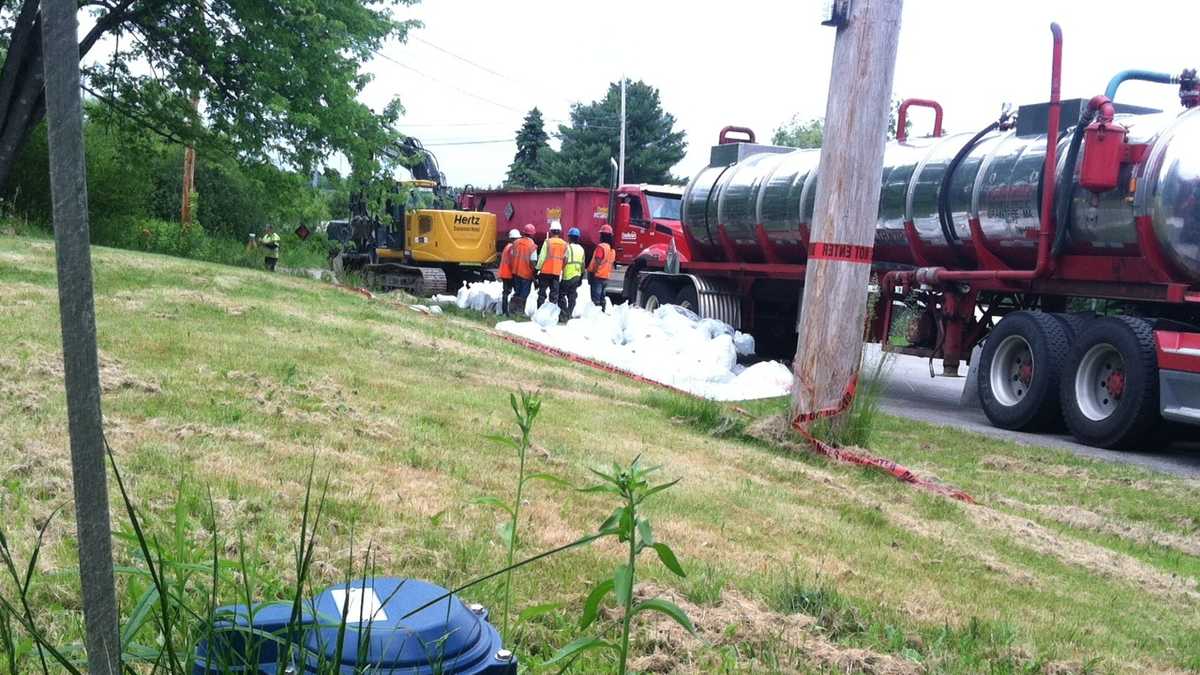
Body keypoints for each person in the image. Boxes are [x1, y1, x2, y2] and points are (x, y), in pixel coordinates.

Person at [509, 224, 538, 316]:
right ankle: (519, 311)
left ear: (524, 233)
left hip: (515, 272)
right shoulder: (532, 245)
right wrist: (535, 272)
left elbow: (512, 256)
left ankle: (512, 310)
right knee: (524, 294)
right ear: (532, 234)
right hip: (526, 274)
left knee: (517, 291)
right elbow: (533, 261)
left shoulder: (516, 242)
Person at [535, 221, 567, 309]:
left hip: (545, 272)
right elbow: (565, 259)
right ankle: (551, 313)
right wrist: (561, 269)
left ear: (551, 231)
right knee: (554, 295)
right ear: (560, 232)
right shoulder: (564, 244)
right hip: (556, 273)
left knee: (542, 294)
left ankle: (539, 312)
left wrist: (537, 269)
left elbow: (542, 258)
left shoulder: (547, 242)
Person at [558, 227, 586, 323]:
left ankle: (564, 313)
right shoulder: (581, 249)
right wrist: (581, 277)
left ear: (569, 237)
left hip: (568, 275)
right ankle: (569, 313)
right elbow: (583, 264)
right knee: (572, 295)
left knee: (561, 295)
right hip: (577, 275)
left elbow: (565, 260)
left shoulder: (567, 247)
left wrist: (560, 270)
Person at [588, 224, 616, 307]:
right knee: (602, 297)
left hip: (597, 275)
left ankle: (596, 315)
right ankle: (602, 312)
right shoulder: (612, 249)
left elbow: (597, 261)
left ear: (602, 235)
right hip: (605, 276)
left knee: (596, 298)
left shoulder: (601, 247)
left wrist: (593, 272)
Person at [498, 228, 520, 314]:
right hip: (509, 274)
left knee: (505, 292)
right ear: (514, 239)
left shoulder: (506, 247)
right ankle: (509, 311)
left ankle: (505, 311)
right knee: (514, 292)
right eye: (517, 239)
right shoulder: (512, 248)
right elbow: (512, 262)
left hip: (504, 273)